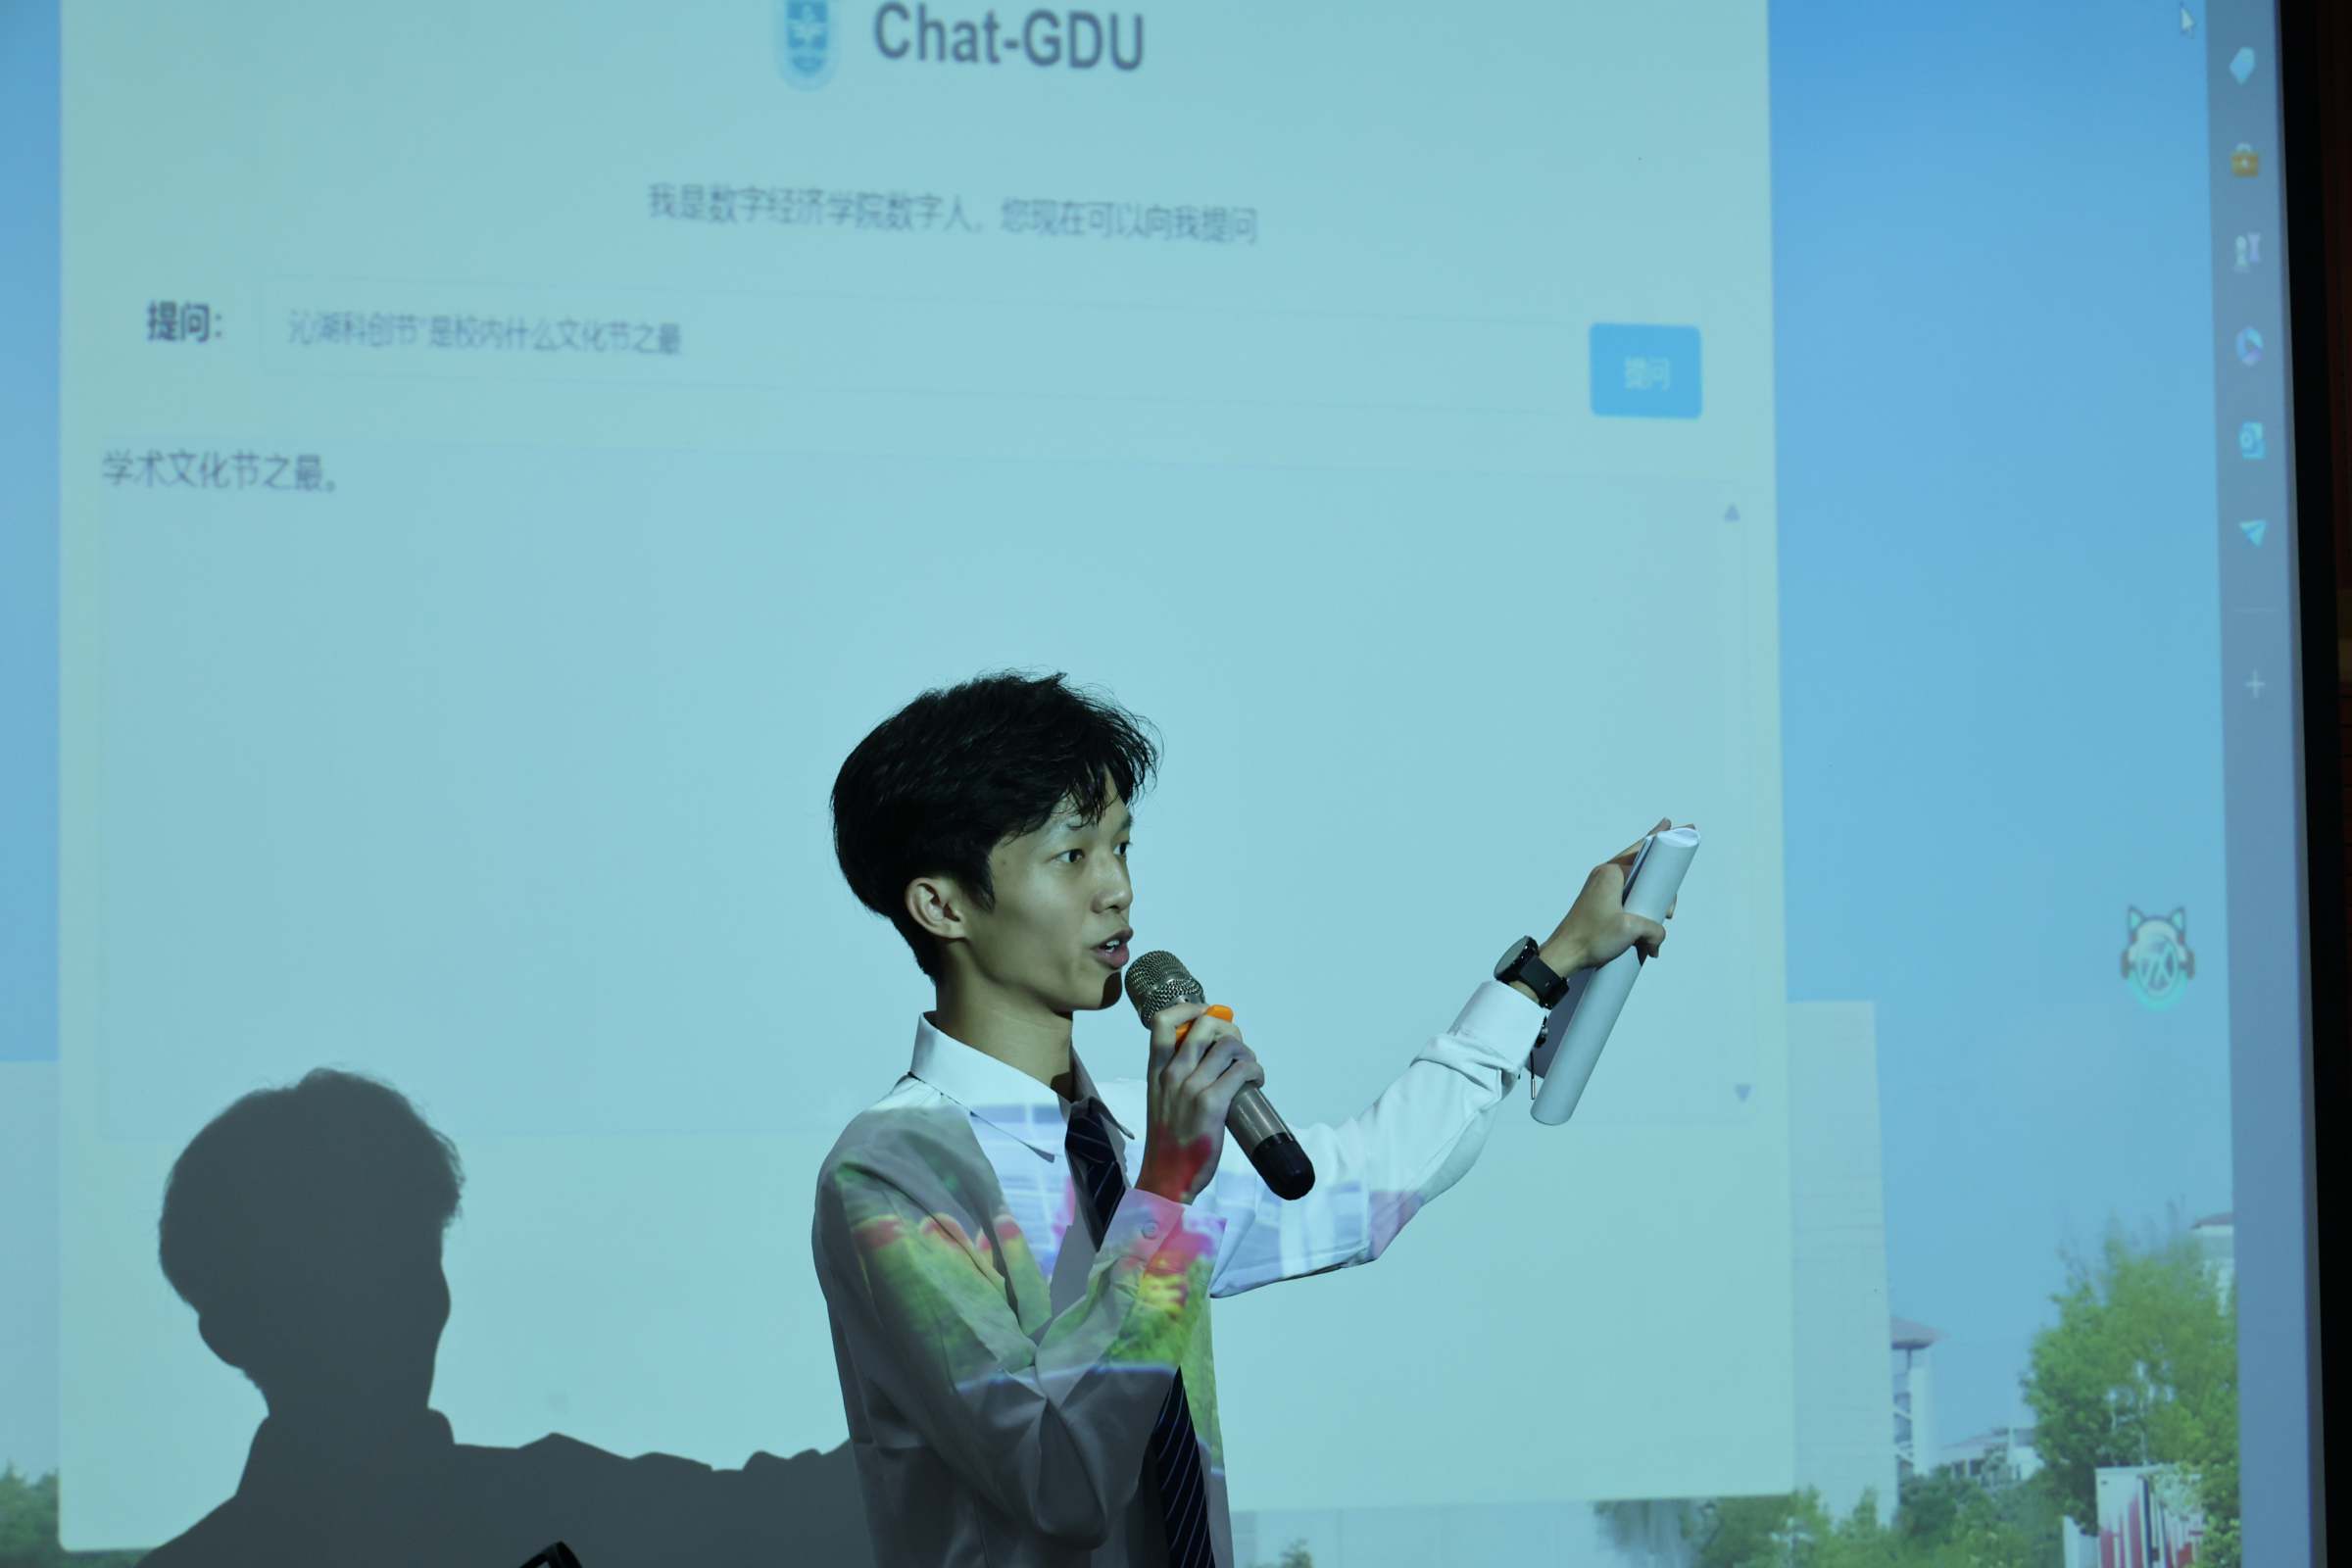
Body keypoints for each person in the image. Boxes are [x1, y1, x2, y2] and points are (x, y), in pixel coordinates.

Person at [816, 669, 1673, 1567]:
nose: (1117, 890)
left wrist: (1552, 964)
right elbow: (1058, 1482)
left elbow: (1364, 1186)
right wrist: (1166, 1191)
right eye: (1072, 857)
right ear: (942, 904)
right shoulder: (892, 1172)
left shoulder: (1129, 1133)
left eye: (1121, 846)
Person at [143, 1067, 872, 1568]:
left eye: (403, 1264)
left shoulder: (568, 1501)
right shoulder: (564, 1504)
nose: (389, 1309)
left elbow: (810, 1511)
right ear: (232, 1333)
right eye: (336, 1279)